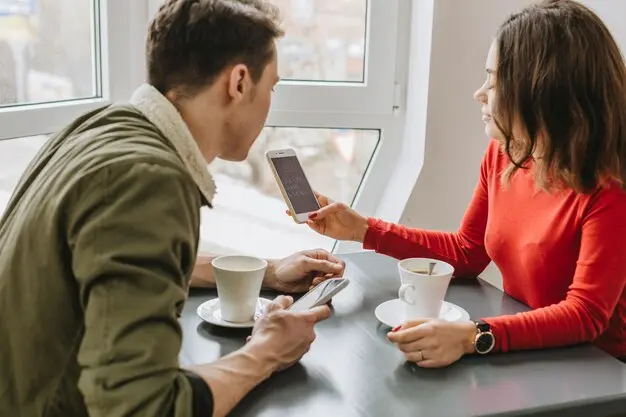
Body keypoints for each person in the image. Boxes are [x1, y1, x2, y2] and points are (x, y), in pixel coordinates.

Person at [0, 1, 345, 416]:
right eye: (271, 86)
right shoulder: (148, 180)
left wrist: (267, 272)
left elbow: (119, 261)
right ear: (238, 82)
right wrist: (268, 352)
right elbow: (141, 408)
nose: (270, 104)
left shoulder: (103, 128)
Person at [298, 0, 626, 367]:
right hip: (532, 351)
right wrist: (363, 230)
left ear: (544, 90)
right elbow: (468, 252)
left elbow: (586, 315)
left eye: (495, 80)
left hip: (599, 373)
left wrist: (475, 335)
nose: (480, 93)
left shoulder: (609, 190)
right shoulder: (505, 154)